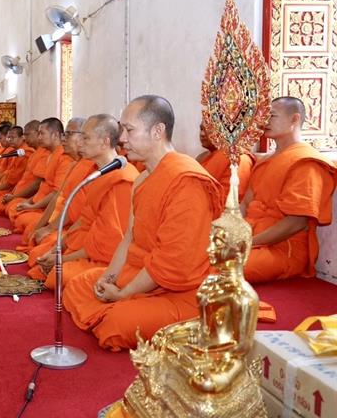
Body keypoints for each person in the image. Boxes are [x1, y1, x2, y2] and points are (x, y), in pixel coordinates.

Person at [63, 95, 223, 351]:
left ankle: (125, 308)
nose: (122, 138)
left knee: (116, 324)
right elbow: (129, 238)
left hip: (181, 290)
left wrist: (125, 294)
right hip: (139, 273)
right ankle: (120, 304)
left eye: (129, 130)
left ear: (158, 131)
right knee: (77, 286)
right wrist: (110, 278)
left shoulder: (187, 181)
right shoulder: (142, 179)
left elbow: (174, 260)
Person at [28, 114, 139, 289]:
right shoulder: (96, 172)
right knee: (39, 258)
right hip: (85, 240)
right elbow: (84, 217)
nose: (80, 142)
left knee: (58, 276)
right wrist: (59, 248)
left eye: (85, 137)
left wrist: (61, 258)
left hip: (104, 256)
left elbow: (111, 241)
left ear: (104, 142)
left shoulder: (122, 180)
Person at [242, 96, 337, 283]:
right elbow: (245, 204)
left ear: (294, 119)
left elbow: (296, 223)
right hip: (250, 238)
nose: (265, 121)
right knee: (195, 256)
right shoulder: (265, 161)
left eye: (272, 116)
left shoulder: (306, 162)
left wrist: (248, 243)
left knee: (218, 269)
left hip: (283, 249)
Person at [10, 118, 81, 234]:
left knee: (32, 232)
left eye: (42, 134)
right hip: (46, 209)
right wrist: (29, 202)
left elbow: (60, 197)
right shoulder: (56, 156)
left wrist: (34, 207)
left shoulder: (66, 159)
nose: (39, 138)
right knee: (14, 209)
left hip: (57, 217)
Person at [196, 121, 253, 201]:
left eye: (209, 129)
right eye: (201, 129)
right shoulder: (202, 157)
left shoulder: (239, 158)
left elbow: (231, 200)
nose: (202, 134)